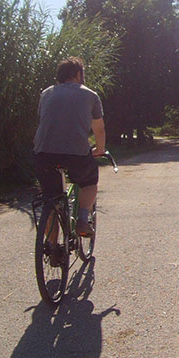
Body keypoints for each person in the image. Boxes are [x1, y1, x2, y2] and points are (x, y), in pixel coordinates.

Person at [33, 57, 106, 243]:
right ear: (78, 74)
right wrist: (100, 149)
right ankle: (82, 219)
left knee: (50, 198)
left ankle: (52, 247)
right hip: (76, 154)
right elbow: (99, 129)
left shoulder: (46, 93)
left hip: (43, 153)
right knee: (89, 181)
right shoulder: (90, 95)